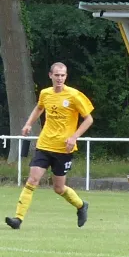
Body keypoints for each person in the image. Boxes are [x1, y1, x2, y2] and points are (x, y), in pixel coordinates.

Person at [5, 62, 94, 230]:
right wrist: (28, 124)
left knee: (59, 188)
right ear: (50, 75)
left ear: (66, 76)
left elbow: (89, 119)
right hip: (45, 144)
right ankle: (18, 218)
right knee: (32, 180)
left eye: (63, 75)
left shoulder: (74, 95)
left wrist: (74, 137)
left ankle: (81, 205)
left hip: (63, 149)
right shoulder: (45, 93)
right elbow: (39, 108)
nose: (60, 78)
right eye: (57, 75)